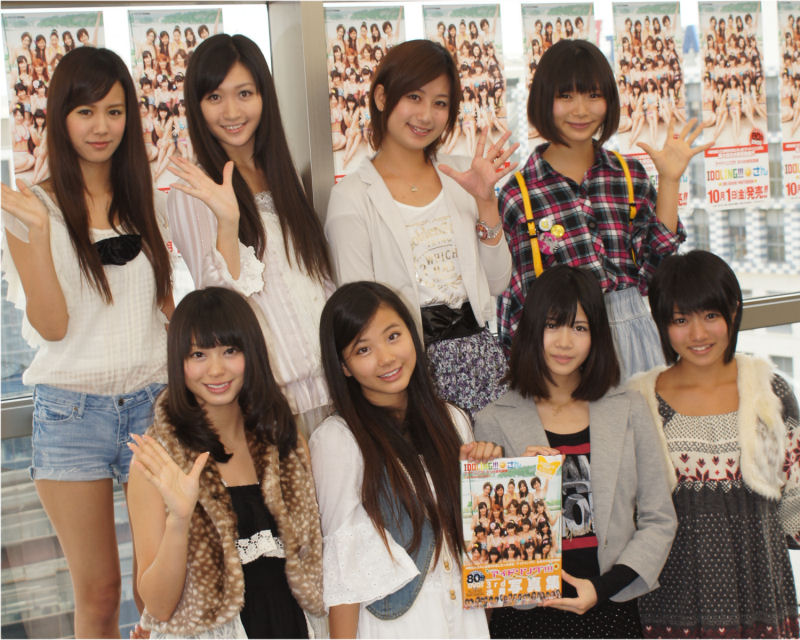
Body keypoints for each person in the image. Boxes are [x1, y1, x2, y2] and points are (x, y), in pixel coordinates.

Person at [0, 47, 172, 638]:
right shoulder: (31, 208)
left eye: (115, 111)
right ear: (60, 117)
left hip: (152, 408)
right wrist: (38, 235)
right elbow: (52, 326)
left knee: (160, 590)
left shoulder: (145, 200)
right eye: (85, 111)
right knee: (98, 595)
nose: (102, 126)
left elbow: (167, 309)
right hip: (72, 415)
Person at [475, 265, 677, 638]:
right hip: (527, 617)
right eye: (552, 325)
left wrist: (602, 588)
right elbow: (489, 547)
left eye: (580, 328)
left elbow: (659, 518)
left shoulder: (629, 408)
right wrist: (522, 487)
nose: (565, 342)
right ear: (531, 329)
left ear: (597, 334)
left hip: (610, 607)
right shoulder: (494, 420)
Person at [325, 39, 518, 418]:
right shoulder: (351, 198)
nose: (426, 115)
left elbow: (498, 282)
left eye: (440, 103)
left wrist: (485, 203)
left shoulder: (462, 175)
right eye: (414, 97)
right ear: (382, 97)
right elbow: (358, 312)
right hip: (406, 372)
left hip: (481, 360)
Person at [496, 39, 710, 380]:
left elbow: (657, 273)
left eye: (593, 95)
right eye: (566, 96)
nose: (581, 110)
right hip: (564, 349)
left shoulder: (629, 175)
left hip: (636, 339)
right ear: (542, 101)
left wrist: (670, 181)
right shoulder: (519, 195)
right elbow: (516, 300)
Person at [127, 287, 324, 638]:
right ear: (178, 362)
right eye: (198, 354)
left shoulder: (286, 442)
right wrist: (179, 520)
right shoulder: (158, 460)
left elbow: (318, 561)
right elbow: (158, 606)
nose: (216, 370)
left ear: (252, 352)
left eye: (230, 351)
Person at [310, 281, 501, 638]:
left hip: (465, 617)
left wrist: (488, 481)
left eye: (393, 336)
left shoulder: (453, 420)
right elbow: (344, 572)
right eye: (363, 349)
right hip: (397, 625)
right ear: (344, 366)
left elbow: (479, 545)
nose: (386, 358)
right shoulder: (337, 440)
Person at [166, 34, 333, 438]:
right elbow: (219, 303)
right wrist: (228, 221)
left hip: (332, 388)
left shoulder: (284, 174)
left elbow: (317, 279)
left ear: (264, 96)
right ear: (197, 106)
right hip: (271, 402)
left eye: (244, 93)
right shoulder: (193, 191)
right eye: (215, 97)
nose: (231, 111)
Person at [628, 250, 799, 638]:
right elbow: (625, 513)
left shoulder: (769, 392)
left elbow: (796, 500)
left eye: (710, 315)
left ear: (733, 312)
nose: (698, 334)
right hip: (672, 599)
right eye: (680, 320)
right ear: (661, 323)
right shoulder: (639, 402)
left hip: (761, 590)